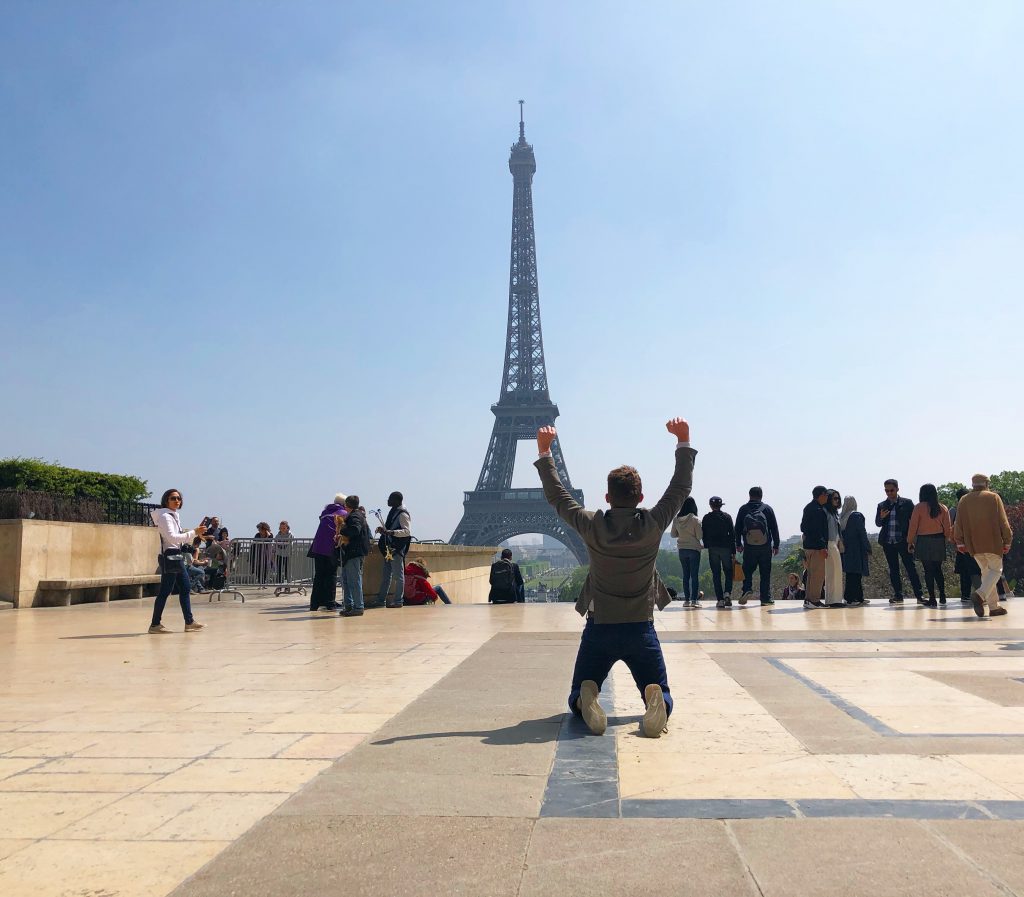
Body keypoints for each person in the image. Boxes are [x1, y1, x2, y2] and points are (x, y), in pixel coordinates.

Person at [534, 417, 695, 739]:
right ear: (641, 496)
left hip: (600, 627)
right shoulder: (653, 523)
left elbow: (557, 496)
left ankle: (588, 696)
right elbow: (680, 488)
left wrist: (543, 451)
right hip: (641, 627)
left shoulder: (591, 524)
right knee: (661, 690)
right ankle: (654, 698)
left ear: (607, 497)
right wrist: (683, 440)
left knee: (578, 691)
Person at [954, 474, 1013, 618]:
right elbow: (1003, 521)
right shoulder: (993, 497)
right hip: (993, 542)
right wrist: (1007, 540)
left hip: (973, 544)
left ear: (973, 485)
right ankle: (979, 595)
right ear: (986, 483)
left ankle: (993, 607)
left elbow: (958, 523)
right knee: (996, 571)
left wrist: (960, 541)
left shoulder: (964, 499)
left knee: (986, 573)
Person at [148, 488, 206, 633]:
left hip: (175, 555)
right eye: (173, 498)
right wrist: (193, 532)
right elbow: (172, 538)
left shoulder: (173, 515)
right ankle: (155, 624)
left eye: (178, 498)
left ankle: (189, 621)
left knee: (185, 587)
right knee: (166, 590)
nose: (177, 501)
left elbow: (177, 538)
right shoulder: (166, 516)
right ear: (166, 500)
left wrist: (194, 534)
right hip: (171, 556)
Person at [875, 479, 924, 605]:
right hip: (888, 542)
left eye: (891, 490)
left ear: (897, 489)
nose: (889, 493)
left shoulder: (907, 503)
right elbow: (878, 523)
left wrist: (912, 540)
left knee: (910, 568)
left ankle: (919, 595)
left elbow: (914, 522)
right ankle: (898, 595)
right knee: (893, 569)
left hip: (904, 541)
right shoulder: (882, 505)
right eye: (886, 490)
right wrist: (881, 517)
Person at [908, 484, 953, 608]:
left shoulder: (919, 508)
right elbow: (948, 528)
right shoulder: (942, 508)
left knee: (928, 570)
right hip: (938, 540)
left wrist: (910, 541)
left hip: (924, 540)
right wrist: (946, 538)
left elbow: (913, 527)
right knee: (938, 569)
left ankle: (932, 598)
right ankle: (943, 595)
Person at [735, 487, 780, 606]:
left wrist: (738, 544)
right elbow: (774, 528)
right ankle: (765, 598)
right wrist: (776, 545)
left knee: (747, 570)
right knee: (765, 572)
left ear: (749, 495)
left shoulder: (743, 509)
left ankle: (747, 589)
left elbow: (737, 528)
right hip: (765, 547)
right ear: (761, 495)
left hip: (749, 546)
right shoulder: (767, 509)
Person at [372, 491, 412, 609]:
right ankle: (381, 600)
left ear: (397, 501)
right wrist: (384, 530)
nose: (388, 501)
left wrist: (391, 532)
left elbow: (407, 532)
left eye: (390, 499)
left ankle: (398, 600)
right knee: (386, 575)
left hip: (396, 549)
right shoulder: (394, 511)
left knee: (398, 576)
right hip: (389, 548)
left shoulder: (403, 514)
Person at [308, 494, 346, 611]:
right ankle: (330, 602)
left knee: (319, 575)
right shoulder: (343, 513)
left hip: (318, 547)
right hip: (330, 547)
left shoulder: (325, 512)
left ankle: (314, 603)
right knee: (331, 575)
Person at [337, 496, 369, 617]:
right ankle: (349, 605)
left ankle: (358, 607)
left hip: (354, 552)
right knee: (347, 579)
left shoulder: (355, 516)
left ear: (347, 505)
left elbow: (355, 529)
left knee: (353, 580)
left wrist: (342, 531)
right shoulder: (357, 515)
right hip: (352, 552)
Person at [701, 496, 735, 609]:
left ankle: (720, 599)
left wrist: (707, 545)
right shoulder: (727, 517)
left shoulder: (706, 518)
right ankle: (727, 593)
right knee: (728, 572)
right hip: (726, 547)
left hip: (713, 548)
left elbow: (704, 534)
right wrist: (733, 550)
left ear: (710, 506)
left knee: (716, 574)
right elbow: (732, 534)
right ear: (721, 506)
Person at [949, 487, 981, 604]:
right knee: (976, 570)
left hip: (961, 546)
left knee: (964, 571)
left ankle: (965, 595)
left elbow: (951, 529)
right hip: (975, 545)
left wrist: (955, 541)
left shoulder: (955, 510)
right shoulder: (975, 509)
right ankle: (980, 594)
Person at [799, 486, 829, 609]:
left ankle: (808, 599)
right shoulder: (817, 510)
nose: (827, 497)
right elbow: (817, 531)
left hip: (808, 546)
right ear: (821, 495)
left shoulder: (808, 507)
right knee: (818, 574)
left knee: (811, 574)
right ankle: (814, 600)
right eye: (826, 494)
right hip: (817, 547)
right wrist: (822, 546)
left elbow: (803, 527)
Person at [839, 496, 871, 607]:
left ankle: (856, 597)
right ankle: (853, 598)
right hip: (856, 549)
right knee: (856, 574)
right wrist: (868, 546)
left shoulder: (841, 517)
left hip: (846, 550)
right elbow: (862, 532)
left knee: (850, 574)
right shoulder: (856, 516)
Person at [671, 497, 703, 607]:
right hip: (694, 549)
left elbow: (673, 534)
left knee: (685, 575)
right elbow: (699, 536)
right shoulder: (695, 520)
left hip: (682, 549)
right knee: (694, 575)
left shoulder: (676, 519)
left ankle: (687, 600)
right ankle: (694, 600)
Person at [823, 490, 845, 607]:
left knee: (835, 572)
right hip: (829, 544)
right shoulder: (826, 512)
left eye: (838, 498)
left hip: (834, 544)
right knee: (833, 572)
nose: (837, 501)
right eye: (834, 498)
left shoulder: (835, 513)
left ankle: (834, 599)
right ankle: (833, 600)